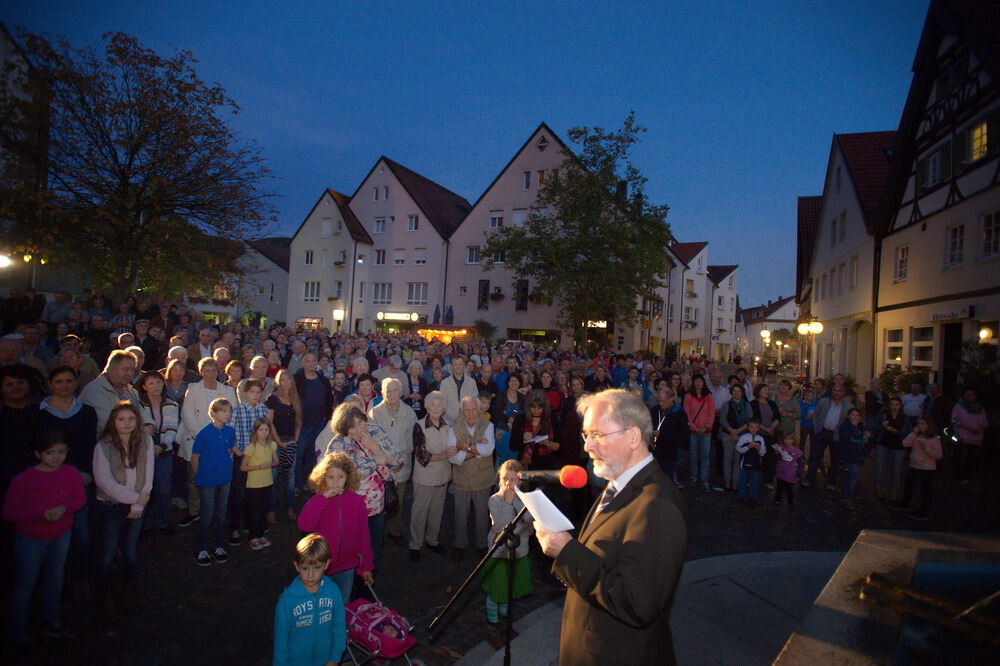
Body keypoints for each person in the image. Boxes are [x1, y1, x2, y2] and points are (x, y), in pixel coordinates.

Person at [534, 389, 687, 665]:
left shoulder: (659, 507)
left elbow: (637, 601)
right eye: (586, 435)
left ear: (633, 437)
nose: (587, 447)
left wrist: (567, 552)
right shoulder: (617, 483)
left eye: (597, 435)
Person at [4, 432, 86, 647]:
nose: (56, 457)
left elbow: (79, 499)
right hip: (31, 539)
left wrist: (64, 508)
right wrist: (40, 514)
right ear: (38, 453)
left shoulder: (70, 473)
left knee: (55, 578)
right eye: (50, 453)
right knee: (25, 584)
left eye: (61, 452)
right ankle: (18, 631)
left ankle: (52, 621)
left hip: (60, 534)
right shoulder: (25, 479)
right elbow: (10, 512)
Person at [322, 400, 402, 573]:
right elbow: (340, 474)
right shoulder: (338, 444)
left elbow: (397, 459)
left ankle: (369, 587)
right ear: (343, 428)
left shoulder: (374, 431)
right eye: (352, 427)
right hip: (350, 509)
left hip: (377, 507)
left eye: (360, 423)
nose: (359, 430)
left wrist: (375, 447)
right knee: (351, 550)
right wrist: (375, 460)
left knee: (373, 548)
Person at [93, 401, 154, 617]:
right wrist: (137, 499)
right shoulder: (104, 446)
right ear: (113, 421)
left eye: (131, 419)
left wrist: (139, 503)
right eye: (121, 419)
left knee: (130, 550)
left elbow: (148, 474)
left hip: (139, 504)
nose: (127, 423)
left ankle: (130, 589)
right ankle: (106, 592)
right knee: (108, 553)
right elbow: (104, 482)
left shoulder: (145, 441)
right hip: (111, 505)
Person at [297, 451, 373, 604]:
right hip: (320, 567)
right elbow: (304, 525)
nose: (336, 482)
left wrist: (366, 566)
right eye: (330, 477)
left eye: (340, 477)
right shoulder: (319, 501)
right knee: (319, 604)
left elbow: (363, 535)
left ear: (348, 478)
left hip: (347, 566)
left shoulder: (357, 502)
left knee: (342, 602)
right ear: (323, 478)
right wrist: (322, 498)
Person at [177, 358, 236, 527]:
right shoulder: (193, 388)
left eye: (213, 370)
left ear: (218, 371)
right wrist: (203, 437)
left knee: (218, 476)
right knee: (195, 477)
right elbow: (187, 414)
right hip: (197, 439)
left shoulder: (227, 390)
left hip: (220, 442)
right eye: (206, 370)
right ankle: (195, 511)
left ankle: (217, 512)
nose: (210, 373)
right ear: (201, 371)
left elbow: (231, 415)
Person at [272, 533, 347, 666]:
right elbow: (280, 640)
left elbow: (339, 626)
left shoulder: (333, 591)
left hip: (326, 661)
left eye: (317, 568)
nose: (310, 575)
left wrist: (335, 658)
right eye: (305, 568)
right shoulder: (287, 601)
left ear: (327, 564)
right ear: (296, 566)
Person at [481, 460, 533, 651]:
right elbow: (504, 526)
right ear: (499, 479)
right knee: (496, 592)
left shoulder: (526, 500)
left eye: (513, 480)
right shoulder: (494, 499)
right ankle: (493, 627)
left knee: (508, 591)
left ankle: (505, 623)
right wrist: (508, 504)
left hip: (518, 554)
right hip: (499, 554)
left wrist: (516, 505)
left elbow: (529, 523)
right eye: (505, 479)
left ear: (521, 481)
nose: (508, 484)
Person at [368, 378, 418, 547]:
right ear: (382, 393)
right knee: (379, 499)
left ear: (401, 392)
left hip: (402, 464)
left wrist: (403, 454)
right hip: (381, 466)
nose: (392, 394)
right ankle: (377, 531)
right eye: (388, 391)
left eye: (395, 390)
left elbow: (412, 439)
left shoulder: (410, 413)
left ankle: (394, 530)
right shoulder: (374, 413)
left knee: (398, 499)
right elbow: (371, 439)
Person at [408, 391, 456, 561]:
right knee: (419, 512)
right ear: (427, 407)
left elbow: (454, 446)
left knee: (437, 511)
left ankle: (432, 540)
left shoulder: (448, 426)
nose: (436, 408)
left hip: (443, 475)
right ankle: (415, 544)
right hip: (425, 477)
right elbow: (421, 455)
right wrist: (443, 455)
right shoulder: (419, 425)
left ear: (443, 408)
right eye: (432, 405)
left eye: (439, 405)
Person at [448, 395, 496, 560]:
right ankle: (459, 544)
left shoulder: (488, 425)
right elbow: (452, 457)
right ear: (462, 411)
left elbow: (488, 450)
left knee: (482, 514)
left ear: (479, 410)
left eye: (473, 409)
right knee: (460, 514)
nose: (470, 414)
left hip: (482, 478)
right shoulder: (453, 427)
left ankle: (482, 544)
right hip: (461, 479)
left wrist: (465, 447)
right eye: (466, 410)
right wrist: (476, 450)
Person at [191, 397, 235, 567]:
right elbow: (195, 458)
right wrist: (199, 476)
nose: (227, 414)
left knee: (221, 512)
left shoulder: (230, 432)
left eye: (229, 411)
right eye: (224, 411)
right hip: (207, 480)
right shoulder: (204, 434)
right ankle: (201, 547)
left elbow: (229, 449)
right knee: (207, 512)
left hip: (224, 477)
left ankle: (218, 545)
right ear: (214, 413)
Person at [227, 378, 269, 547]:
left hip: (259, 458)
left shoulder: (262, 409)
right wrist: (238, 453)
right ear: (245, 393)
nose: (255, 395)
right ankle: (234, 527)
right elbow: (231, 434)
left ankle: (253, 526)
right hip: (242, 456)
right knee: (239, 493)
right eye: (252, 392)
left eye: (258, 392)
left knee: (255, 494)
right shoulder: (237, 410)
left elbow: (266, 433)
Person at [136, 371, 179, 533]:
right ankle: (142, 523)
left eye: (158, 382)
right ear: (144, 386)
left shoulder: (172, 404)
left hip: (164, 451)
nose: (155, 386)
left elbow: (171, 429)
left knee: (164, 488)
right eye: (151, 383)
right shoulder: (138, 404)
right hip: (141, 451)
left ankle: (162, 521)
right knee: (144, 488)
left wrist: (162, 446)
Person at [891, 417, 943, 520]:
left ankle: (925, 511)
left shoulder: (934, 439)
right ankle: (904, 503)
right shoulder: (916, 436)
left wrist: (926, 448)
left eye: (923, 424)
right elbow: (905, 443)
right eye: (919, 424)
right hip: (914, 465)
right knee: (908, 485)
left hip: (927, 468)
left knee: (926, 489)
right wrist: (913, 434)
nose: (920, 426)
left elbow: (939, 455)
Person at [266, 369, 301, 520]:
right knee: (273, 476)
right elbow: (269, 422)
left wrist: (295, 439)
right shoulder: (272, 399)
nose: (286, 382)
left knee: (290, 476)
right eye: (283, 380)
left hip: (290, 441)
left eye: (288, 379)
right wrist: (278, 442)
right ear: (278, 382)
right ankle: (271, 509)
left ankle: (290, 507)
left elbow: (298, 421)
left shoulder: (295, 398)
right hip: (275, 441)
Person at [80, 349, 140, 435]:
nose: (130, 374)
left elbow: (142, 415)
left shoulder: (131, 391)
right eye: (126, 369)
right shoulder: (95, 391)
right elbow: (108, 425)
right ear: (110, 369)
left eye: (133, 370)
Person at [239, 418, 278, 550]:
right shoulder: (251, 447)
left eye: (266, 430)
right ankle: (253, 536)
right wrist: (260, 467)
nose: (264, 433)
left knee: (263, 510)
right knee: (255, 511)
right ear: (255, 431)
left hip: (267, 482)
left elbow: (276, 461)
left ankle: (260, 534)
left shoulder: (271, 445)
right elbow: (243, 467)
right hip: (254, 485)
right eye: (261, 430)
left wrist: (269, 464)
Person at [802, 385, 849, 489]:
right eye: (835, 390)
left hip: (836, 434)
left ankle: (831, 482)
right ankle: (810, 478)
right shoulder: (824, 402)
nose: (837, 393)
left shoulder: (848, 406)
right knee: (815, 456)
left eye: (839, 390)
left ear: (844, 393)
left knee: (835, 459)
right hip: (822, 432)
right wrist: (817, 428)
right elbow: (816, 414)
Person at [510, 389, 559, 470]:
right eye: (533, 407)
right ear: (528, 406)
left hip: (547, 465)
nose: (536, 411)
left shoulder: (552, 419)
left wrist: (547, 443)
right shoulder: (520, 419)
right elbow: (513, 446)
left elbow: (560, 447)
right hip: (525, 465)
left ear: (545, 407)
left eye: (540, 408)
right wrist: (523, 438)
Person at [683, 374, 716, 491]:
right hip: (693, 431)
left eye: (700, 381)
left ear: (703, 382)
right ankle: (694, 477)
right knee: (693, 454)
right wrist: (693, 427)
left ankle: (704, 479)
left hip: (706, 431)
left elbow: (711, 413)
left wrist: (707, 427)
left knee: (705, 456)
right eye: (696, 381)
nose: (698, 383)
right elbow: (686, 413)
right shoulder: (688, 396)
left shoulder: (709, 396)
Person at [650, 388, 688, 488]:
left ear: (671, 398)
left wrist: (662, 435)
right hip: (654, 451)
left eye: (664, 401)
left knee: (667, 479)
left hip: (670, 452)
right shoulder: (654, 410)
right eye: (659, 401)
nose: (661, 404)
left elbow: (683, 436)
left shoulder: (680, 413)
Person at [951, 388, 988, 489]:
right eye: (967, 395)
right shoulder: (959, 407)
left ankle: (970, 477)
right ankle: (962, 478)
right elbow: (954, 420)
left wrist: (978, 429)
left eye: (972, 395)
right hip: (962, 436)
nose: (970, 397)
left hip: (976, 438)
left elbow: (984, 423)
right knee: (962, 457)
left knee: (972, 459)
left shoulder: (980, 408)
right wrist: (968, 428)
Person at [837, 408, 870, 510]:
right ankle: (847, 497)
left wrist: (867, 438)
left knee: (852, 476)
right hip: (848, 456)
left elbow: (866, 442)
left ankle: (847, 494)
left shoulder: (862, 428)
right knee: (853, 476)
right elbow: (845, 437)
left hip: (858, 456)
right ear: (848, 416)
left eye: (857, 415)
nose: (855, 417)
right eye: (853, 415)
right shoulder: (845, 426)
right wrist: (853, 427)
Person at [720, 384, 752, 491]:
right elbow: (723, 420)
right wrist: (732, 431)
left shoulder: (747, 406)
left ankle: (735, 482)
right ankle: (727, 481)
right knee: (727, 459)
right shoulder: (726, 405)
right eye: (734, 391)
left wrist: (738, 431)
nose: (736, 393)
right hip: (728, 435)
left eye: (739, 391)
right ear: (731, 392)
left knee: (738, 460)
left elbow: (749, 421)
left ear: (742, 393)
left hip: (741, 436)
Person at [875, 397, 905, 501]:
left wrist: (897, 431)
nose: (894, 407)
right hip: (883, 443)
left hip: (898, 446)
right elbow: (875, 426)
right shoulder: (883, 414)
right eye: (892, 404)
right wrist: (882, 426)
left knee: (896, 470)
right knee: (881, 467)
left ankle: (894, 493)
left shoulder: (904, 417)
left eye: (897, 404)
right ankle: (878, 489)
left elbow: (907, 432)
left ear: (900, 406)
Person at [491, 374, 524, 469]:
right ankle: (498, 482)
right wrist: (512, 416)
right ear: (508, 383)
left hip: (516, 432)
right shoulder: (501, 395)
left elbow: (523, 415)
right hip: (502, 430)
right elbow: (497, 413)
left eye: (516, 381)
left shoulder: (521, 397)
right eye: (512, 381)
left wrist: (508, 412)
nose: (514, 383)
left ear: (519, 383)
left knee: (513, 460)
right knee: (500, 458)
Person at [735, 418, 767, 505]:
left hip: (755, 463)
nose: (753, 429)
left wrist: (758, 448)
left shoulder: (760, 438)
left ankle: (752, 497)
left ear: (759, 428)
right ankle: (741, 496)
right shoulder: (744, 437)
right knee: (743, 480)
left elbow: (763, 452)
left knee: (754, 480)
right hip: (745, 462)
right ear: (748, 427)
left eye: (756, 427)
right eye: (751, 427)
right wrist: (748, 447)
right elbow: (739, 449)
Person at [440, 354, 479, 424]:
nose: (458, 367)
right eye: (455, 364)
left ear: (464, 365)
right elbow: (443, 404)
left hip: (467, 421)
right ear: (451, 366)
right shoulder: (444, 383)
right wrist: (453, 419)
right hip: (449, 423)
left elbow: (474, 402)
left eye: (460, 364)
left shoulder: (472, 382)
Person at [772, 433, 802, 511]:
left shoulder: (797, 451)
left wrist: (798, 475)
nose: (787, 441)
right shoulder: (783, 448)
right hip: (781, 471)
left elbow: (799, 464)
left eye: (789, 439)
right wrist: (778, 451)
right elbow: (777, 458)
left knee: (789, 489)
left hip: (790, 473)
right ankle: (777, 500)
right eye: (785, 439)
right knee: (779, 487)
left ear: (793, 440)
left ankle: (790, 504)